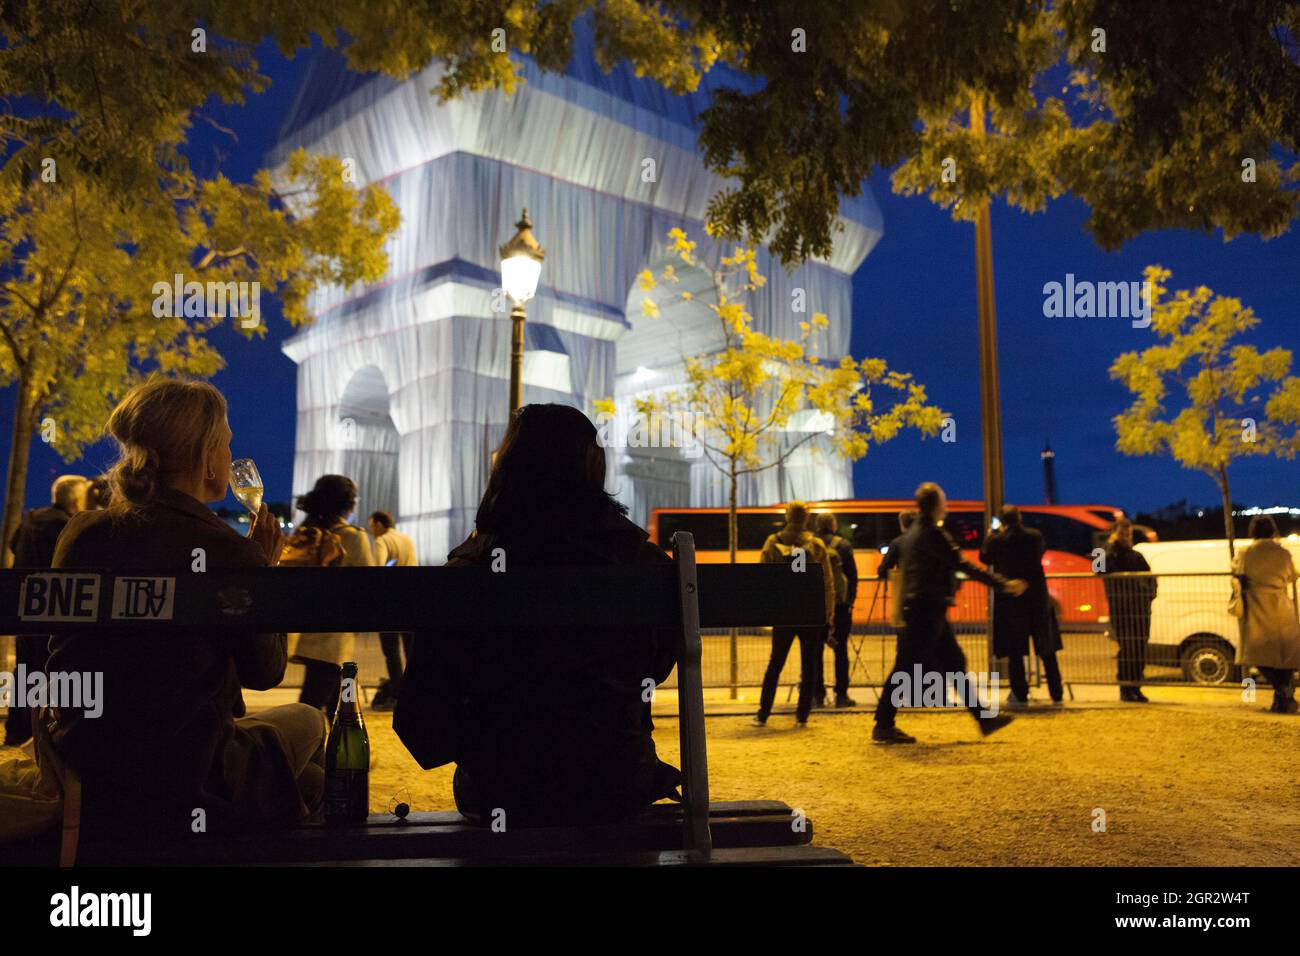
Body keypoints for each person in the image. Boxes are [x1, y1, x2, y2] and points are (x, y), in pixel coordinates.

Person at [44, 377, 325, 841]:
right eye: (226, 444)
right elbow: (266, 672)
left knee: (306, 782)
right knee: (312, 722)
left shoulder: (82, 531)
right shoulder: (224, 549)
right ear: (204, 452)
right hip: (184, 768)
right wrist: (262, 572)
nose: (230, 459)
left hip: (85, 758)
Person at [394, 403, 681, 827]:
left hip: (503, 789)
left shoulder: (470, 570)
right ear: (593, 466)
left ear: (507, 468)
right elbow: (654, 668)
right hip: (616, 782)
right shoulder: (645, 564)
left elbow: (421, 719)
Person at [872, 483, 1027, 744]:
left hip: (924, 608)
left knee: (951, 663)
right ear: (935, 505)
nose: (947, 505)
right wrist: (1003, 584)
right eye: (944, 500)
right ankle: (883, 724)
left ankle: (983, 718)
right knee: (908, 668)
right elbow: (962, 565)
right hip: (926, 609)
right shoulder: (933, 533)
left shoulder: (912, 534)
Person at [4, 474, 89, 746]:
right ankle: (44, 736)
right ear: (76, 500)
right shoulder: (67, 528)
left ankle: (18, 730)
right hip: (53, 612)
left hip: (23, 609)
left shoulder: (30, 520)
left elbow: (13, 545)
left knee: (25, 671)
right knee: (50, 673)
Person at [286, 475, 374, 720]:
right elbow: (369, 584)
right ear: (348, 504)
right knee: (310, 708)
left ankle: (333, 752)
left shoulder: (306, 533)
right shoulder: (354, 537)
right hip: (335, 634)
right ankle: (302, 754)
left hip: (306, 630)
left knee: (336, 703)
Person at [754, 502, 837, 727]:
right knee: (809, 665)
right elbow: (828, 583)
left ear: (787, 516)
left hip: (784, 612)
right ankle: (802, 716)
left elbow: (763, 578)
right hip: (809, 613)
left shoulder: (773, 543)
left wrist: (768, 609)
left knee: (775, 663)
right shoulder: (817, 545)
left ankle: (763, 712)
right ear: (807, 518)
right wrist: (828, 614)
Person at [981, 506, 1064, 706]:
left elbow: (984, 557)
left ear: (1002, 522)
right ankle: (1056, 691)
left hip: (1011, 600)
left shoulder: (997, 540)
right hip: (1037, 598)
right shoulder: (1034, 537)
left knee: (1015, 650)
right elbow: (1040, 551)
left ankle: (1020, 692)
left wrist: (990, 536)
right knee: (1046, 648)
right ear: (1020, 518)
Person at [1233, 516, 1299, 713]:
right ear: (1273, 530)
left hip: (1256, 604)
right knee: (1284, 656)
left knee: (1256, 653)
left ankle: (1282, 692)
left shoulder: (1246, 552)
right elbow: (1292, 575)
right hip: (1280, 604)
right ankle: (1284, 698)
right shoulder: (1283, 553)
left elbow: (1236, 571)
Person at [1101, 518, 1157, 702]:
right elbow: (1097, 568)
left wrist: (1148, 595)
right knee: (1128, 649)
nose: (1127, 537)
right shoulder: (1106, 552)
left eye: (1129, 534)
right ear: (1114, 534)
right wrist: (1111, 544)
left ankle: (1136, 687)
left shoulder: (1136, 556)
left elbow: (1151, 578)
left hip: (1140, 611)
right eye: (1123, 534)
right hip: (1122, 611)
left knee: (1140, 649)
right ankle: (1125, 688)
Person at [368, 510, 418, 711]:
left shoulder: (382, 541)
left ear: (379, 524)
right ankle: (414, 690)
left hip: (389, 601)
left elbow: (378, 570)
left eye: (371, 525)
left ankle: (397, 694)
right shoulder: (406, 539)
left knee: (391, 651)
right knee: (410, 650)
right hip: (412, 598)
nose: (371, 530)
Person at [814, 512, 858, 707]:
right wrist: (850, 602)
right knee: (841, 652)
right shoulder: (844, 546)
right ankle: (841, 695)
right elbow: (853, 577)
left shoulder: (810, 545)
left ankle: (817, 695)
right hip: (840, 606)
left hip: (816, 607)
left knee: (815, 652)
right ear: (833, 525)